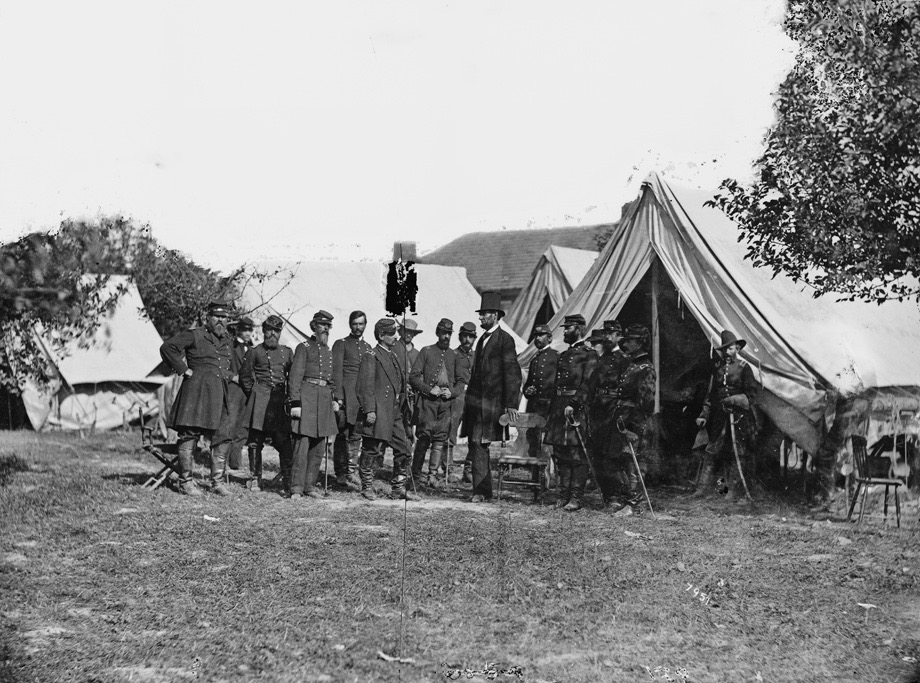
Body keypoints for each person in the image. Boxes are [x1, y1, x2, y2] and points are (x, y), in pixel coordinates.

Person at [159, 301, 235, 496]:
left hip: (219, 395)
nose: (221, 321)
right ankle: (186, 482)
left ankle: (217, 482)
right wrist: (184, 369)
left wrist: (231, 377)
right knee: (189, 436)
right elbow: (168, 347)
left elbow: (224, 368)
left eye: (224, 317)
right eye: (217, 317)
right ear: (207, 318)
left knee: (223, 436)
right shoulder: (195, 334)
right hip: (196, 393)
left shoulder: (227, 340)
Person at [462, 292, 523, 503]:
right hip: (476, 404)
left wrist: (511, 404)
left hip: (491, 405)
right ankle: (482, 490)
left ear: (495, 316)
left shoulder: (505, 339)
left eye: (484, 314)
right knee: (476, 443)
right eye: (480, 314)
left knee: (479, 443)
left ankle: (481, 492)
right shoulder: (482, 340)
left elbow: (512, 373)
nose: (480, 318)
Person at [355, 318, 420, 501]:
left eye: (395, 333)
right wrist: (370, 410)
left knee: (404, 448)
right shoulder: (371, 356)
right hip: (377, 411)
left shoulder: (393, 356)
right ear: (381, 335)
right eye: (391, 333)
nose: (396, 336)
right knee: (371, 449)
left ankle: (398, 488)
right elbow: (364, 387)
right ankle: (366, 487)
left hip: (394, 412)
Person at [693, 330, 759, 502]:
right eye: (724, 350)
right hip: (720, 416)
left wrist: (735, 399)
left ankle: (733, 491)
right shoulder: (717, 368)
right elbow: (710, 395)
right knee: (712, 450)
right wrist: (704, 415)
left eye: (730, 349)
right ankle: (703, 489)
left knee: (737, 451)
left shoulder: (744, 368)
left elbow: (752, 396)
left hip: (739, 417)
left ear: (737, 349)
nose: (727, 353)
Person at [545, 314, 598, 511]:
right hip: (560, 408)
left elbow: (588, 383)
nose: (565, 331)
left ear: (579, 329)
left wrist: (574, 404)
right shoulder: (564, 354)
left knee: (577, 455)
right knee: (561, 453)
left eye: (568, 328)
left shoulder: (589, 354)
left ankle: (576, 498)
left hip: (576, 409)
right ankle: (563, 496)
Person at [288, 310, 340, 500]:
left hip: (323, 401)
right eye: (322, 325)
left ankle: (310, 486)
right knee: (301, 446)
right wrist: (295, 403)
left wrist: (335, 399)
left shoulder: (328, 351)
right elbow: (295, 377)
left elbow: (331, 380)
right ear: (313, 326)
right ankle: (296, 488)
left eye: (328, 326)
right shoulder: (303, 347)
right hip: (307, 399)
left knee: (318, 447)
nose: (326, 329)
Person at [606, 324, 657, 516]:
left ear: (640, 343)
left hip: (636, 422)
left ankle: (635, 505)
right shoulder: (632, 365)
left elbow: (646, 403)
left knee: (635, 464)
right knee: (626, 461)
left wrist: (632, 427)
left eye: (630, 341)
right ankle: (630, 500)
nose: (625, 344)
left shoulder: (645, 368)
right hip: (624, 418)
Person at [239, 315, 293, 493]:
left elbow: (293, 377)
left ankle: (288, 480)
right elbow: (245, 378)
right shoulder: (254, 352)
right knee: (255, 442)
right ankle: (255, 478)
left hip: (279, 403)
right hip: (260, 402)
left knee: (284, 442)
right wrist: (256, 395)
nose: (273, 334)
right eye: (269, 330)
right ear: (263, 331)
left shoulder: (287, 352)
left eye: (276, 330)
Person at [579, 319, 630, 507]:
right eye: (605, 333)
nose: (607, 337)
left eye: (611, 334)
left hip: (613, 410)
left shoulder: (625, 359)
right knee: (597, 453)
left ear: (619, 336)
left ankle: (618, 495)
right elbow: (591, 384)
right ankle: (608, 495)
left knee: (611, 455)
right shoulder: (601, 359)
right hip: (597, 410)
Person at [409, 318, 462, 488]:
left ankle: (432, 475)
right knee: (424, 438)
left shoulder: (455, 355)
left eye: (449, 333)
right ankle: (415, 475)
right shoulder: (426, 351)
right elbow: (413, 377)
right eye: (443, 333)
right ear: (437, 333)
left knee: (439, 441)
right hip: (428, 403)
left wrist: (452, 392)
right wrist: (428, 389)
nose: (446, 336)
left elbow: (461, 383)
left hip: (446, 405)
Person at [331, 310, 372, 491]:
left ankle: (351, 471)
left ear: (365, 325)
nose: (358, 327)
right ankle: (340, 472)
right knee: (342, 434)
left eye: (361, 324)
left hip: (360, 398)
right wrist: (339, 397)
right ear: (350, 324)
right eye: (355, 324)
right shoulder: (341, 344)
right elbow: (336, 372)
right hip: (345, 397)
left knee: (356, 435)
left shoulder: (368, 347)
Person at [224, 317, 254, 472]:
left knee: (243, 428)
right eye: (245, 330)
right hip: (234, 391)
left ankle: (235, 462)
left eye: (250, 330)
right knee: (230, 425)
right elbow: (221, 367)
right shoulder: (230, 346)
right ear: (238, 330)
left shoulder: (252, 348)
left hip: (247, 392)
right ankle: (222, 461)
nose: (248, 333)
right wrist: (232, 377)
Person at [522, 324, 557, 459]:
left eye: (541, 335)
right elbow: (528, 383)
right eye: (536, 336)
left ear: (550, 338)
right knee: (532, 438)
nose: (537, 338)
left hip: (548, 406)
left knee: (546, 441)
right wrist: (527, 390)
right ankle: (534, 468)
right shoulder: (534, 359)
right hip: (534, 406)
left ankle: (546, 469)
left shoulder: (556, 357)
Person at [449, 322, 476, 484]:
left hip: (473, 398)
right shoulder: (453, 355)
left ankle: (469, 469)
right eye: (465, 336)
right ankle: (449, 469)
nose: (467, 339)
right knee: (450, 431)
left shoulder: (477, 356)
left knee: (474, 434)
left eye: (471, 337)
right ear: (460, 337)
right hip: (457, 397)